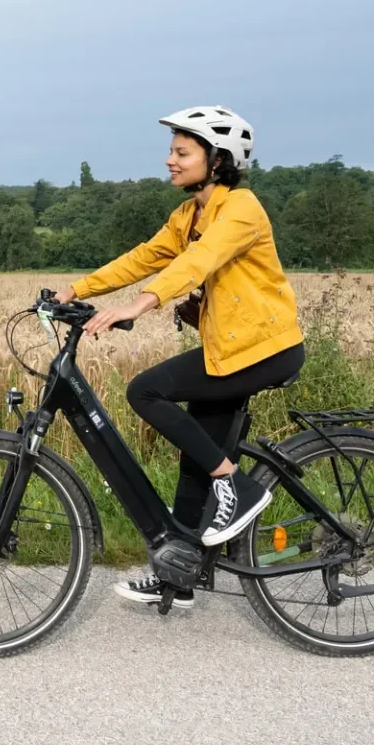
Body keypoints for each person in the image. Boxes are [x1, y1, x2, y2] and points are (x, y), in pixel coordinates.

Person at [56, 105, 306, 606]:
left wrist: (142, 304)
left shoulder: (242, 209)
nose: (169, 160)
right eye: (172, 150)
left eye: (182, 151)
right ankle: (181, 574)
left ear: (216, 161)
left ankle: (240, 488)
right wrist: (76, 289)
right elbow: (147, 255)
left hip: (265, 351)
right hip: (229, 352)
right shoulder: (190, 213)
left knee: (145, 390)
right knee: (196, 460)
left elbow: (199, 261)